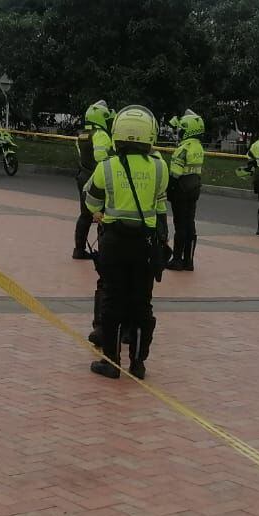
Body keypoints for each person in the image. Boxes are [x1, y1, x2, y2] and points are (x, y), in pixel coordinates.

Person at [83, 105, 169, 380]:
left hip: (114, 242)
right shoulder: (159, 167)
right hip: (145, 243)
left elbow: (91, 201)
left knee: (112, 300)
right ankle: (138, 364)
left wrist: (101, 211)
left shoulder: (107, 166)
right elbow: (160, 204)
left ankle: (111, 362)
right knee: (142, 304)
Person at [72, 101, 113, 259]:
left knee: (85, 215)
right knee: (102, 215)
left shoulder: (82, 134)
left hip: (83, 176)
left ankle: (79, 250)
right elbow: (101, 158)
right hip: (96, 179)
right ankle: (103, 253)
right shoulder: (100, 134)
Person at [165, 109, 205, 272]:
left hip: (181, 189)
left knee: (180, 225)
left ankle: (176, 260)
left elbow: (175, 174)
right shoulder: (198, 147)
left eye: (181, 129)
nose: (179, 132)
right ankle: (189, 261)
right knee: (190, 224)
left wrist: (167, 190)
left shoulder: (183, 149)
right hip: (194, 188)